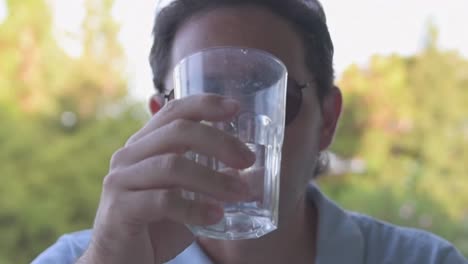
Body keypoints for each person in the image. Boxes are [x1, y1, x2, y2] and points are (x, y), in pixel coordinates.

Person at [33, 0, 467, 263]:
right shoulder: (84, 259)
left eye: (272, 98)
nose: (234, 134)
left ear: (327, 121)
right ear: (159, 119)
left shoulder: (423, 261)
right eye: (203, 99)